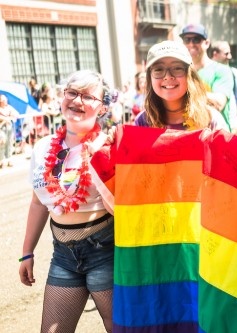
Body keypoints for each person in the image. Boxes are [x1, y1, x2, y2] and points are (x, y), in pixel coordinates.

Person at [19, 70, 114, 332]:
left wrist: (102, 161)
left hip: (105, 251)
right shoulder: (43, 147)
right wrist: (27, 253)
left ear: (102, 107)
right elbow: (38, 203)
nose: (77, 101)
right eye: (72, 92)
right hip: (63, 255)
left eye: (88, 96)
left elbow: (123, 206)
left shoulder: (109, 146)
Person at [134, 40, 228, 131]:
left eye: (177, 68)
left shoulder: (210, 119)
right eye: (159, 69)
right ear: (150, 78)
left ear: (190, 75)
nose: (168, 76)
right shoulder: (142, 122)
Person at [180, 24, 237, 134]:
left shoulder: (221, 70)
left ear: (206, 43)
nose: (191, 44)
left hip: (217, 136)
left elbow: (219, 103)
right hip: (190, 137)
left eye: (196, 40)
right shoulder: (180, 72)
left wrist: (182, 92)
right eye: (187, 40)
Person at [211, 40, 237, 137]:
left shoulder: (233, 72)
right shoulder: (205, 72)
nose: (230, 57)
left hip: (232, 128)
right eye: (226, 53)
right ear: (215, 54)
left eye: (230, 53)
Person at [0, 94, 19, 167]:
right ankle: (1, 160)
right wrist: (5, 119)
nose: (5, 101)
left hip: (9, 127)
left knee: (9, 142)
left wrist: (9, 117)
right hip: (1, 128)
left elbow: (16, 114)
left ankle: (9, 159)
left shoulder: (9, 108)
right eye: (3, 100)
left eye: (5, 99)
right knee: (2, 143)